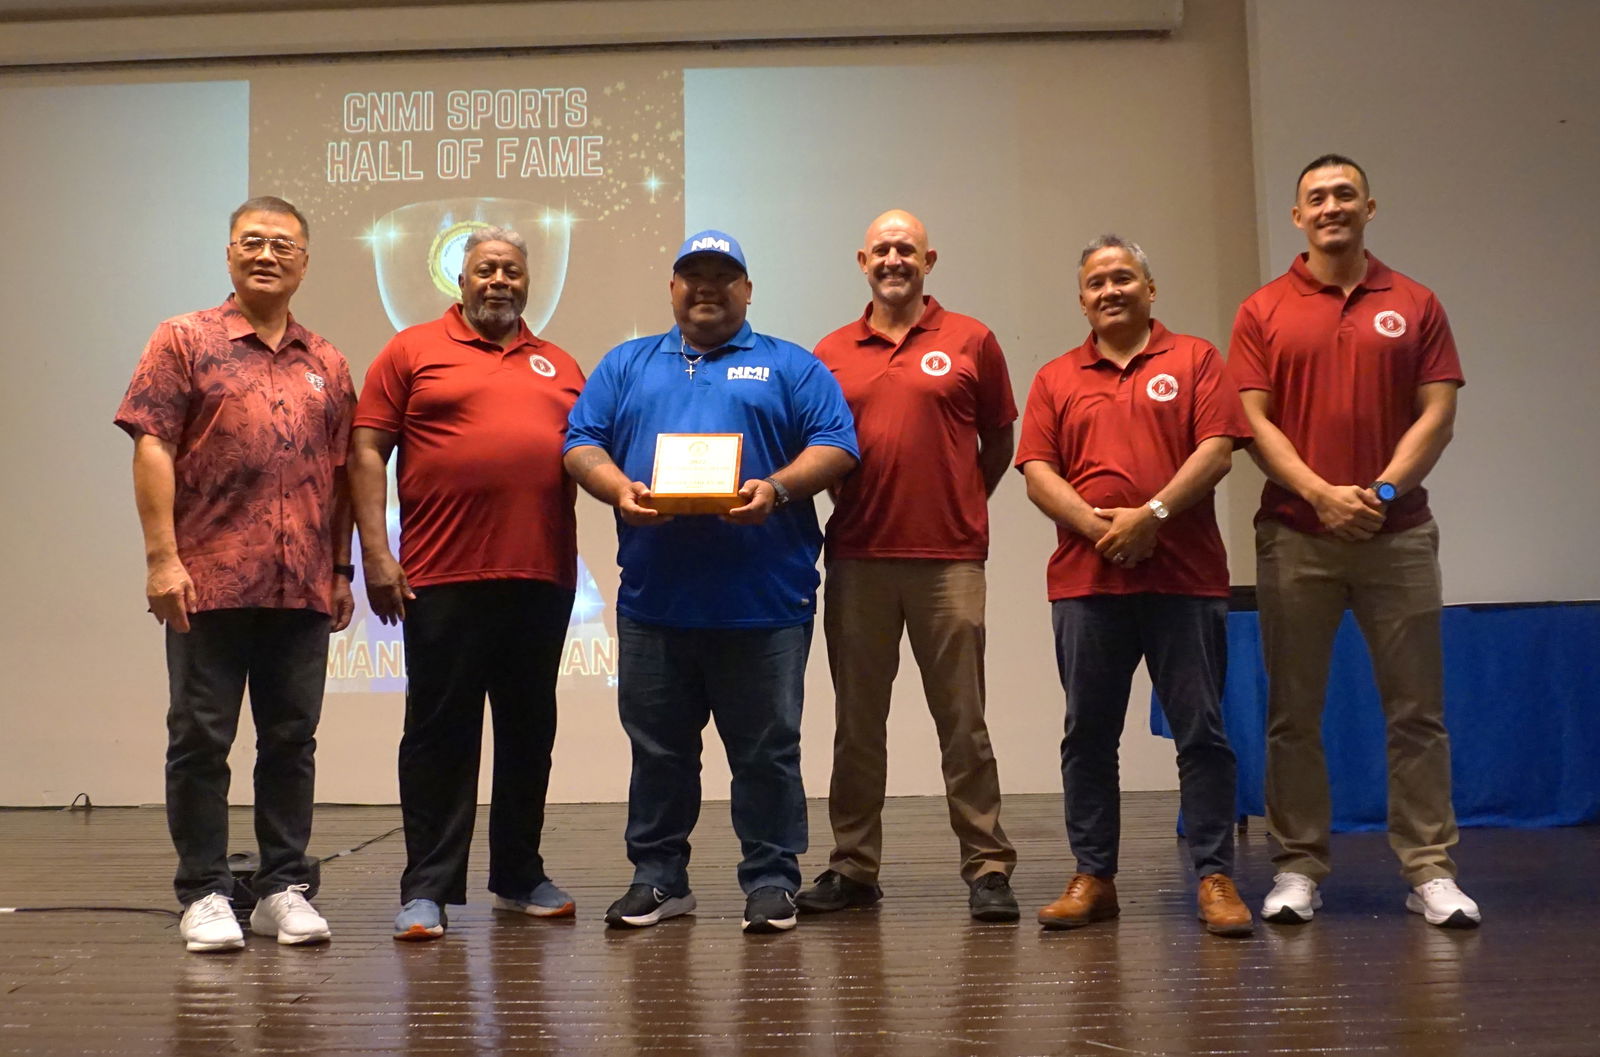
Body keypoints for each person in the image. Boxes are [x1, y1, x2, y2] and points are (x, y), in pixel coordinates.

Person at [563, 230, 858, 935]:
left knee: (767, 753)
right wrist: (617, 488)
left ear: (747, 290)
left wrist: (777, 489)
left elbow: (837, 444)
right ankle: (659, 877)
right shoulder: (627, 364)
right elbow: (580, 442)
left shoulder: (791, 364)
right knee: (659, 752)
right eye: (693, 275)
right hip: (656, 603)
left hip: (765, 604)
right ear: (672, 287)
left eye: (723, 277)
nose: (706, 288)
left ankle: (772, 879)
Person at [1230, 154, 1478, 928]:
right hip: (1295, 536)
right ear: (1297, 216)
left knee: (1417, 712)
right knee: (1292, 714)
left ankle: (1430, 869)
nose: (1331, 206)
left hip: (1397, 536)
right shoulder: (1262, 310)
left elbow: (1437, 413)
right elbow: (1253, 421)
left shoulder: (1415, 303)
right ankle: (1298, 867)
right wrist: (1319, 494)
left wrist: (1382, 493)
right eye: (1317, 197)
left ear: (1370, 208)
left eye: (1345, 194)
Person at [115, 196, 353, 952]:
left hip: (301, 585)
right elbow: (152, 444)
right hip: (207, 581)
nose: (266, 254)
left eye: (283, 244)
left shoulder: (328, 362)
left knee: (292, 739)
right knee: (199, 738)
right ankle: (205, 891)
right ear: (228, 253)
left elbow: (341, 475)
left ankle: (282, 887)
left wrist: (340, 567)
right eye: (251, 241)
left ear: (304, 262)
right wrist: (161, 558)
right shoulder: (183, 339)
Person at [349, 227, 585, 941]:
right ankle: (427, 889)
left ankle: (519, 875)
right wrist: (375, 553)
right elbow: (367, 449)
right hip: (440, 576)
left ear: (527, 282)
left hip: (540, 576)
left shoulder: (561, 363)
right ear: (461, 278)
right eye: (485, 269)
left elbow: (595, 453)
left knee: (528, 733)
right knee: (438, 735)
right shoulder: (411, 350)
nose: (499, 281)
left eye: (511, 271)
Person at [1016, 235, 1254, 936]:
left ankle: (1214, 875)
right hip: (1086, 583)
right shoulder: (1056, 377)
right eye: (1096, 282)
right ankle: (1094, 875)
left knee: (1202, 732)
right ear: (1081, 300)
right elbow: (1037, 472)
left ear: (1150, 289)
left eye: (1123, 278)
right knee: (1088, 734)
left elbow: (1217, 451)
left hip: (1185, 579)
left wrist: (1151, 516)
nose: (1110, 290)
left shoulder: (1195, 359)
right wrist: (1101, 530)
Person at [800, 209, 1019, 922]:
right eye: (882, 249)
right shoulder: (831, 351)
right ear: (863, 260)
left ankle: (987, 867)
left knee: (964, 722)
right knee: (857, 725)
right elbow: (819, 447)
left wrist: (959, 500)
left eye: (906, 249)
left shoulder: (972, 340)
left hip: (949, 562)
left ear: (929, 259)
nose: (894, 259)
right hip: (859, 558)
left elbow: (997, 441)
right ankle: (853, 866)